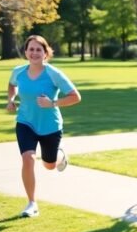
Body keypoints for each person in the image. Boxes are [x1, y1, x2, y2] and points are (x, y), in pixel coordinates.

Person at [7, 35, 82, 217]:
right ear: (25, 52)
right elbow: (12, 85)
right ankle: (32, 203)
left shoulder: (53, 74)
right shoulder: (18, 71)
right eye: (31, 49)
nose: (34, 53)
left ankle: (60, 155)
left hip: (50, 126)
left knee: (49, 165)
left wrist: (53, 103)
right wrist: (11, 99)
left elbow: (75, 96)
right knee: (28, 159)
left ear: (45, 53)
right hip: (25, 122)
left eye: (38, 50)